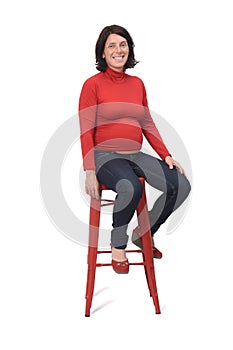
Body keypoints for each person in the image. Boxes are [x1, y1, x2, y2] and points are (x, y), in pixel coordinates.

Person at [78, 24, 191, 274]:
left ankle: (144, 232)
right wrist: (89, 170)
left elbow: (146, 122)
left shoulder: (137, 84)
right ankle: (118, 242)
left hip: (135, 155)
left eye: (123, 44)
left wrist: (166, 155)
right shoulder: (92, 85)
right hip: (104, 156)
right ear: (103, 53)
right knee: (131, 185)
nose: (118, 50)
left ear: (129, 49)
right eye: (112, 46)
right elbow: (85, 130)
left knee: (181, 184)